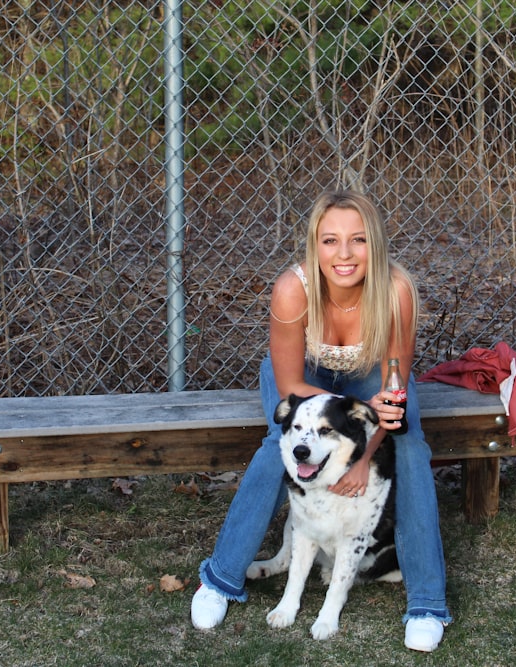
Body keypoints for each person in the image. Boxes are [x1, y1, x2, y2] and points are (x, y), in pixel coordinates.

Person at [190, 190, 451, 652]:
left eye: (358, 240)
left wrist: (361, 457)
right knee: (281, 444)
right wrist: (348, 414)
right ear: (315, 245)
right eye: (330, 241)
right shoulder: (293, 289)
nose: (345, 254)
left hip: (368, 375)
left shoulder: (395, 291)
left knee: (410, 445)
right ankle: (221, 579)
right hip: (304, 376)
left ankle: (427, 603)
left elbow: (391, 396)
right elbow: (291, 383)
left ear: (376, 244)